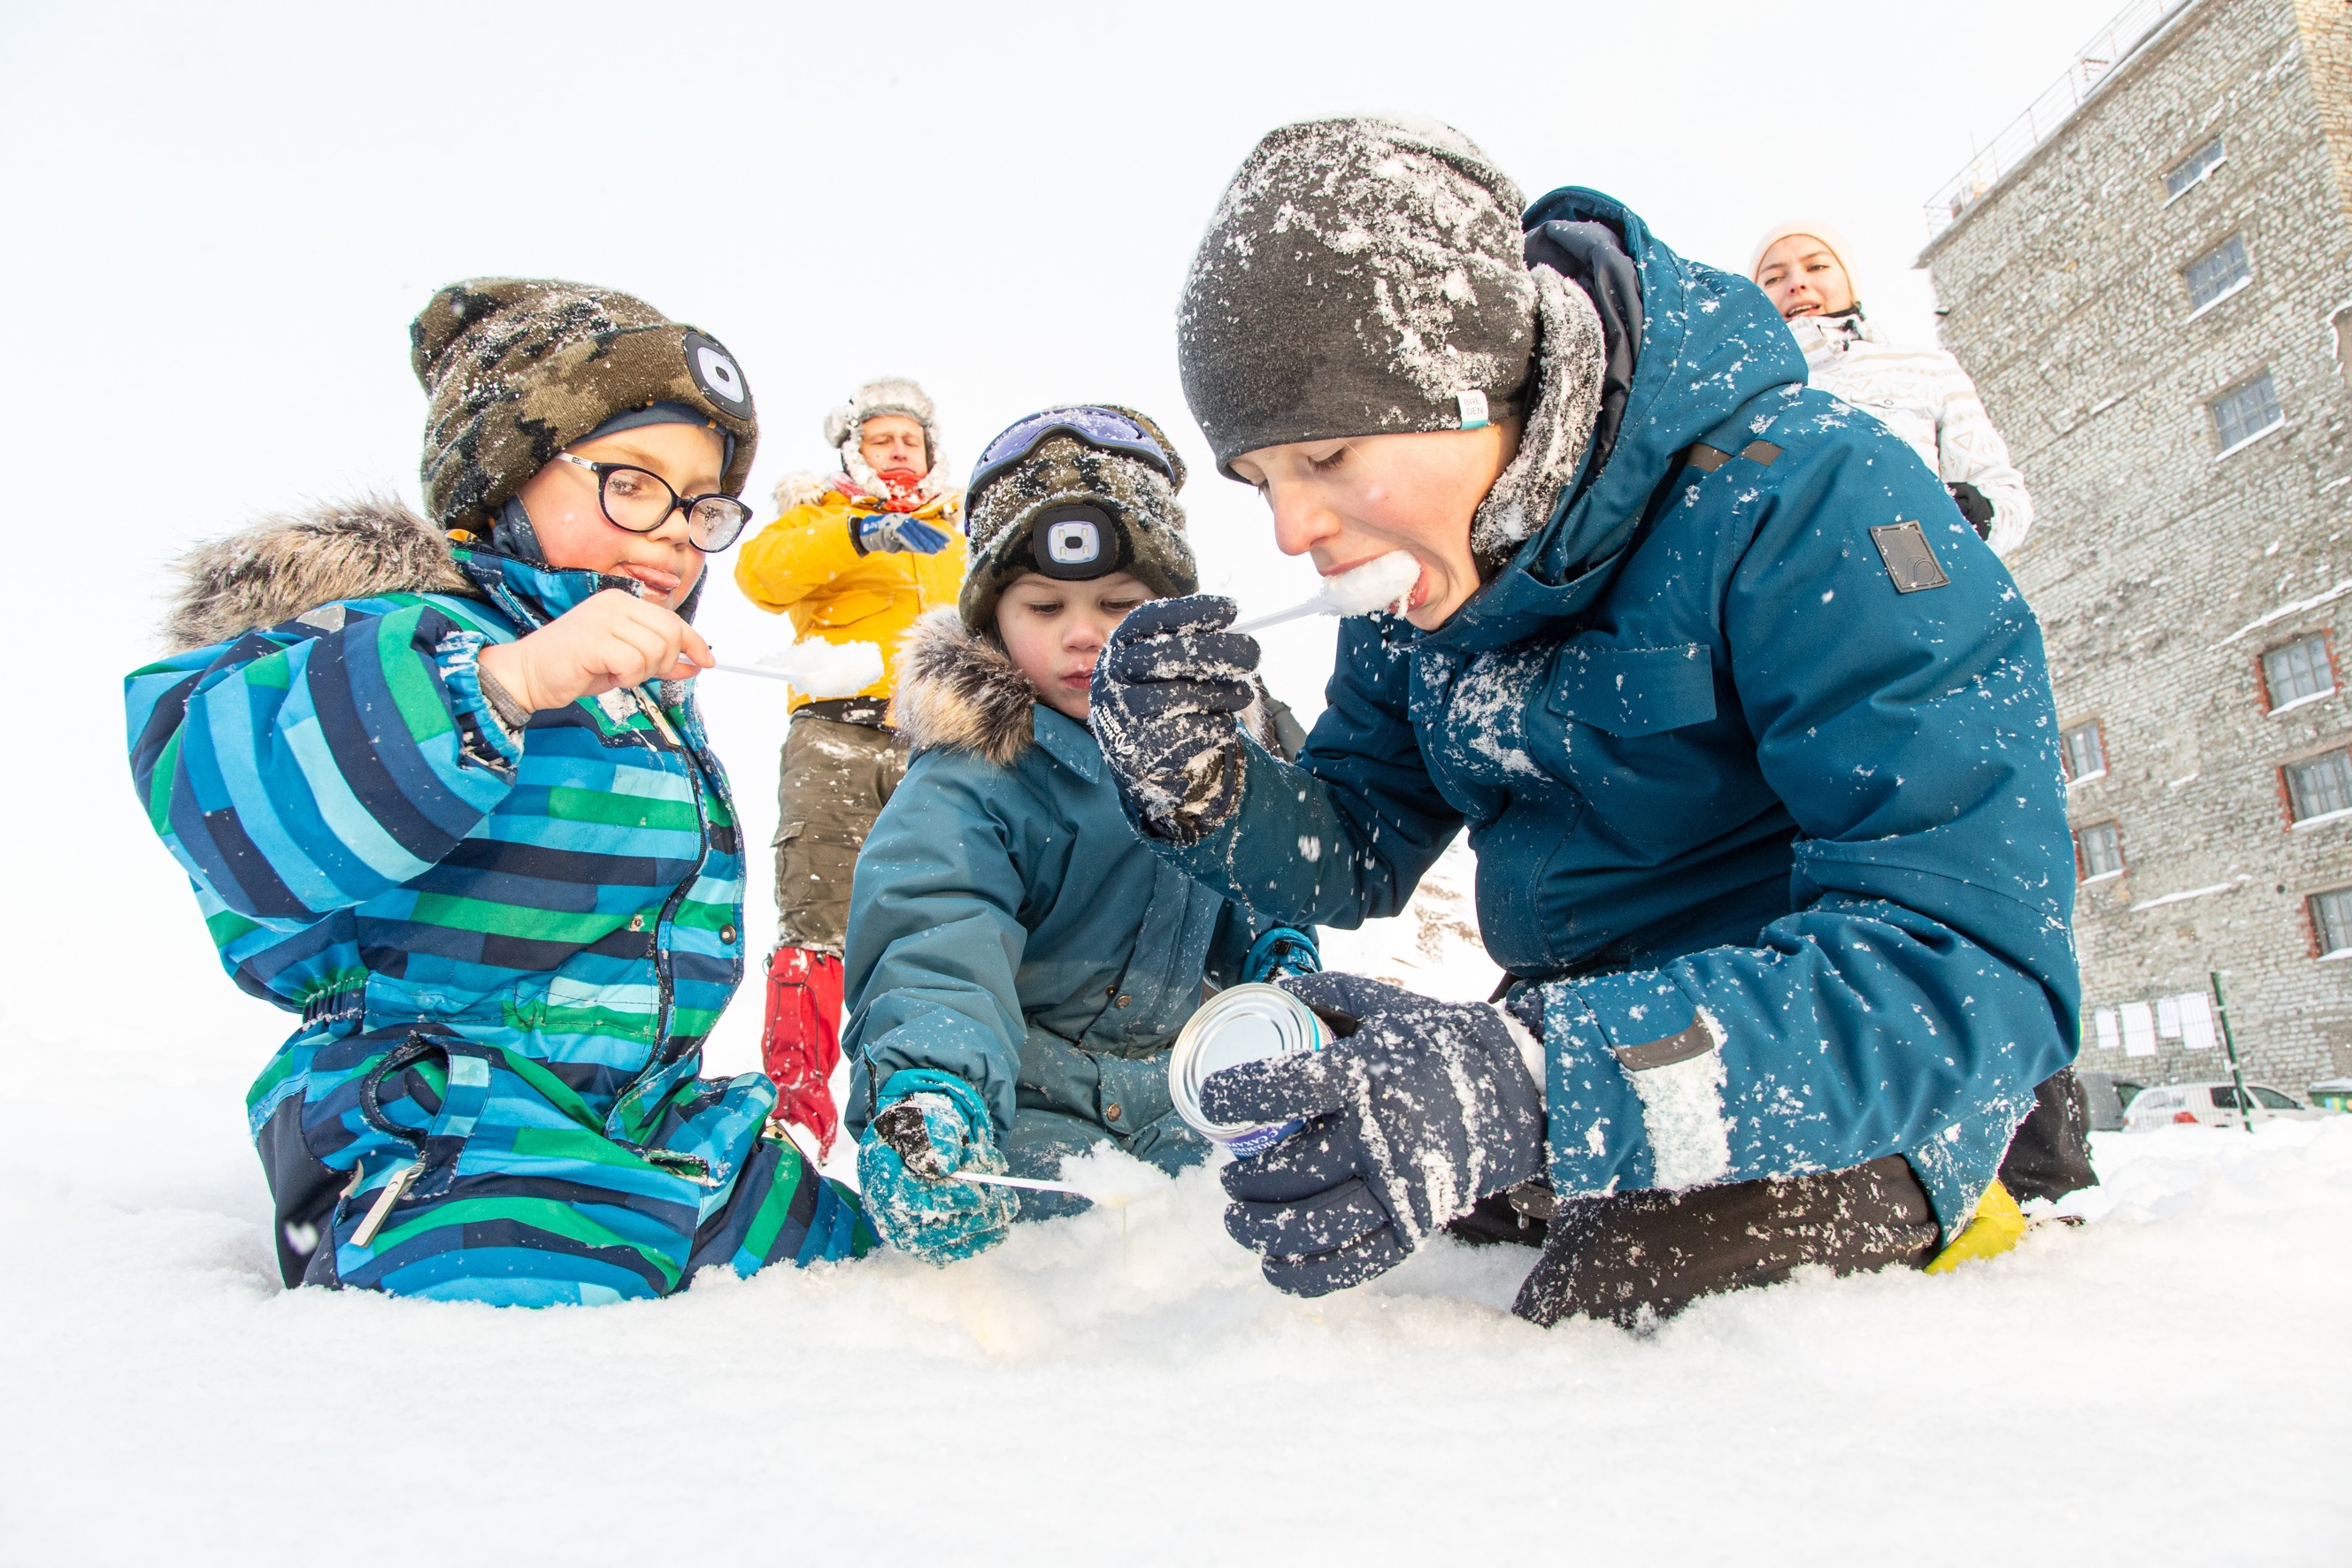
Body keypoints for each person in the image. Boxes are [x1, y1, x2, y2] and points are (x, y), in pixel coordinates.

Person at [1088, 118, 2084, 1326]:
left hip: (1837, 1090)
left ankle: (1979, 1204)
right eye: (1263, 483)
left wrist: (1537, 1078)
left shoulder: (1817, 499)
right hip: (1577, 1070)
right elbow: (1349, 845)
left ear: (1473, 386)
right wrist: (1203, 781)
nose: (1295, 531)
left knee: (1605, 1326)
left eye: (1330, 456)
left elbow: (1968, 966)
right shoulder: (1418, 595)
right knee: (1359, 1223)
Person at [126, 278, 872, 1304]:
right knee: (555, 1309)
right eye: (633, 482)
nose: (671, 533)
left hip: (646, 1122)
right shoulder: (399, 637)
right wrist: (500, 686)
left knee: (855, 1271)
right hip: (439, 1138)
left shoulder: (638, 696)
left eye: (701, 504)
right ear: (502, 478)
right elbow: (235, 807)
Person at [840, 407, 1318, 1264]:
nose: (1083, 631)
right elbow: (935, 934)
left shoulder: (1223, 748)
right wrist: (936, 1090)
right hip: (1026, 1098)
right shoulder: (970, 778)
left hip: (1186, 1090)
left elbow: (1268, 888)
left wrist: (1282, 967)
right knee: (1043, 1261)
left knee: (1247, 1241)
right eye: (1045, 604)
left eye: (1120, 603)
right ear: (991, 617)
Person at [733, 380, 966, 1157]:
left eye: (910, 440)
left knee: (948, 911)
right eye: (881, 439)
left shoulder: (964, 531)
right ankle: (796, 1111)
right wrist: (862, 537)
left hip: (939, 739)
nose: (898, 451)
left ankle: (933, 1093)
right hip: (835, 731)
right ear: (852, 450)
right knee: (818, 915)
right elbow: (763, 578)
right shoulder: (821, 515)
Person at [1751, 220, 2036, 557]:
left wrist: (1980, 513)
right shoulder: (1746, 397)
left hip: (1921, 580)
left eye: (1817, 266)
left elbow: (2003, 495)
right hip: (1801, 594)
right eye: (1774, 278)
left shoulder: (1928, 370)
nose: (1797, 283)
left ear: (1849, 282)